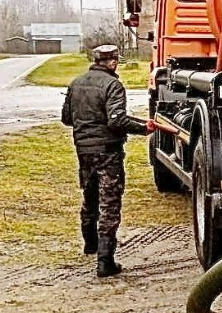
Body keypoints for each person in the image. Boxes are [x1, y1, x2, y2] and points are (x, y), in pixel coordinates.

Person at [61, 45, 155, 278]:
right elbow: (116, 121)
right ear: (111, 62)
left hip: (84, 151)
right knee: (109, 204)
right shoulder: (113, 85)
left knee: (89, 196)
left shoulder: (76, 83)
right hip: (107, 153)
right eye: (116, 60)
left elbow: (66, 118)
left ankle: (90, 243)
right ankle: (105, 261)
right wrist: (144, 127)